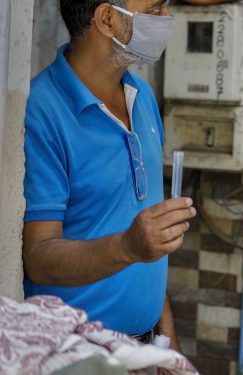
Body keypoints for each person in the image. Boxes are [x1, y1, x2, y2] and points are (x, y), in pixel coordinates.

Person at [22, 0, 195, 350]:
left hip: (142, 347)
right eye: (155, 8)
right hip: (75, 352)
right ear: (107, 19)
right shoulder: (41, 110)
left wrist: (165, 334)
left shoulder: (142, 96)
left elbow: (148, 238)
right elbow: (38, 258)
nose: (167, 18)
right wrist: (128, 246)